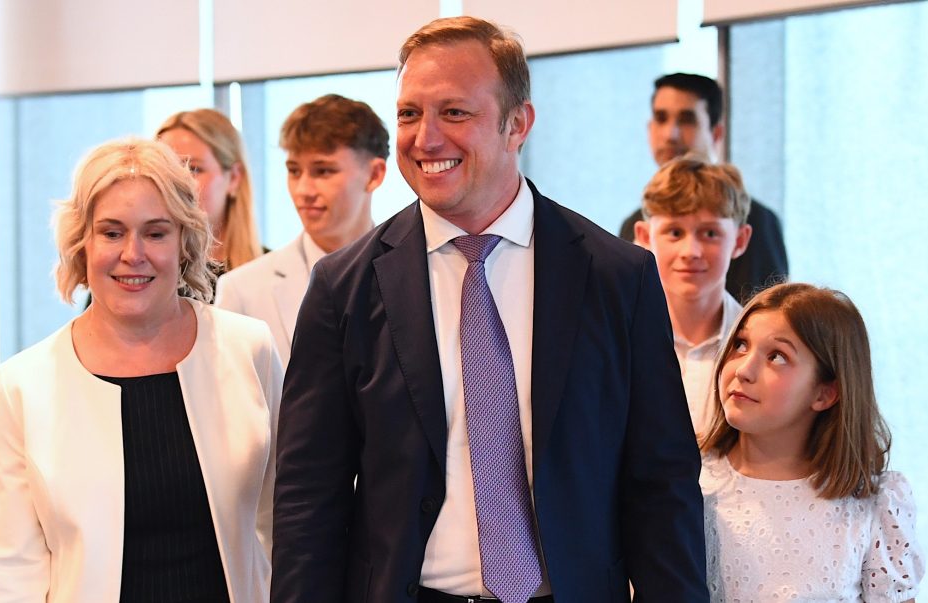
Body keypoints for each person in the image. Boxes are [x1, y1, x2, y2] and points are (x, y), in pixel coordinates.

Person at [272, 16, 707, 602]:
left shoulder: (616, 278)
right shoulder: (342, 288)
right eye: (408, 114)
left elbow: (662, 484)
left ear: (517, 124)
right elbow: (308, 497)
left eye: (454, 113)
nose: (425, 139)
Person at [0, 138, 284, 602]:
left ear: (185, 242)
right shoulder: (24, 385)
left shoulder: (249, 348)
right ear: (82, 242)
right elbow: (10, 572)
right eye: (112, 232)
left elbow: (286, 521)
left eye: (156, 232)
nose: (133, 253)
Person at [700, 283, 924, 601]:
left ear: (824, 393)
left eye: (777, 356)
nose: (744, 370)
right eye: (740, 345)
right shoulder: (691, 480)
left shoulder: (872, 502)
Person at [215, 94, 387, 361]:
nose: (303, 190)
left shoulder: (415, 273)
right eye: (294, 171)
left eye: (323, 171)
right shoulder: (242, 291)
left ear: (375, 175)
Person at [620, 73, 788, 302]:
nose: (671, 134)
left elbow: (767, 315)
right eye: (661, 118)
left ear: (716, 133)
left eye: (687, 120)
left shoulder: (756, 220)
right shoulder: (633, 223)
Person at [633, 155, 751, 437]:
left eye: (710, 233)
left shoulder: (757, 353)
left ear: (740, 240)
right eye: (674, 232)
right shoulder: (618, 340)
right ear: (645, 237)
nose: (691, 251)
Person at [157, 108, 265, 275]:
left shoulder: (272, 273)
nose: (177, 182)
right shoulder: (143, 272)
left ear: (234, 177)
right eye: (167, 169)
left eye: (194, 169)